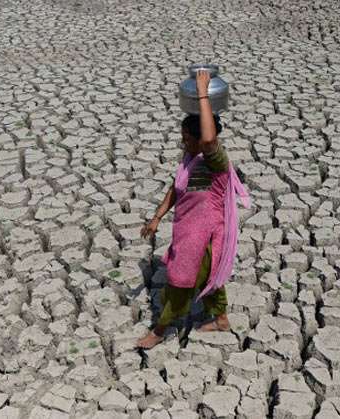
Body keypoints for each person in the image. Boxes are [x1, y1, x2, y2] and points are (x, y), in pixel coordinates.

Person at [136, 69, 250, 350]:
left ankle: (161, 329)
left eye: (187, 138)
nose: (182, 143)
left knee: (180, 282)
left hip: (205, 237)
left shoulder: (216, 162)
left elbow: (210, 140)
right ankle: (221, 318)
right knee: (209, 277)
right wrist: (157, 217)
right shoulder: (190, 158)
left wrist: (202, 92)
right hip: (188, 233)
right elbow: (176, 189)